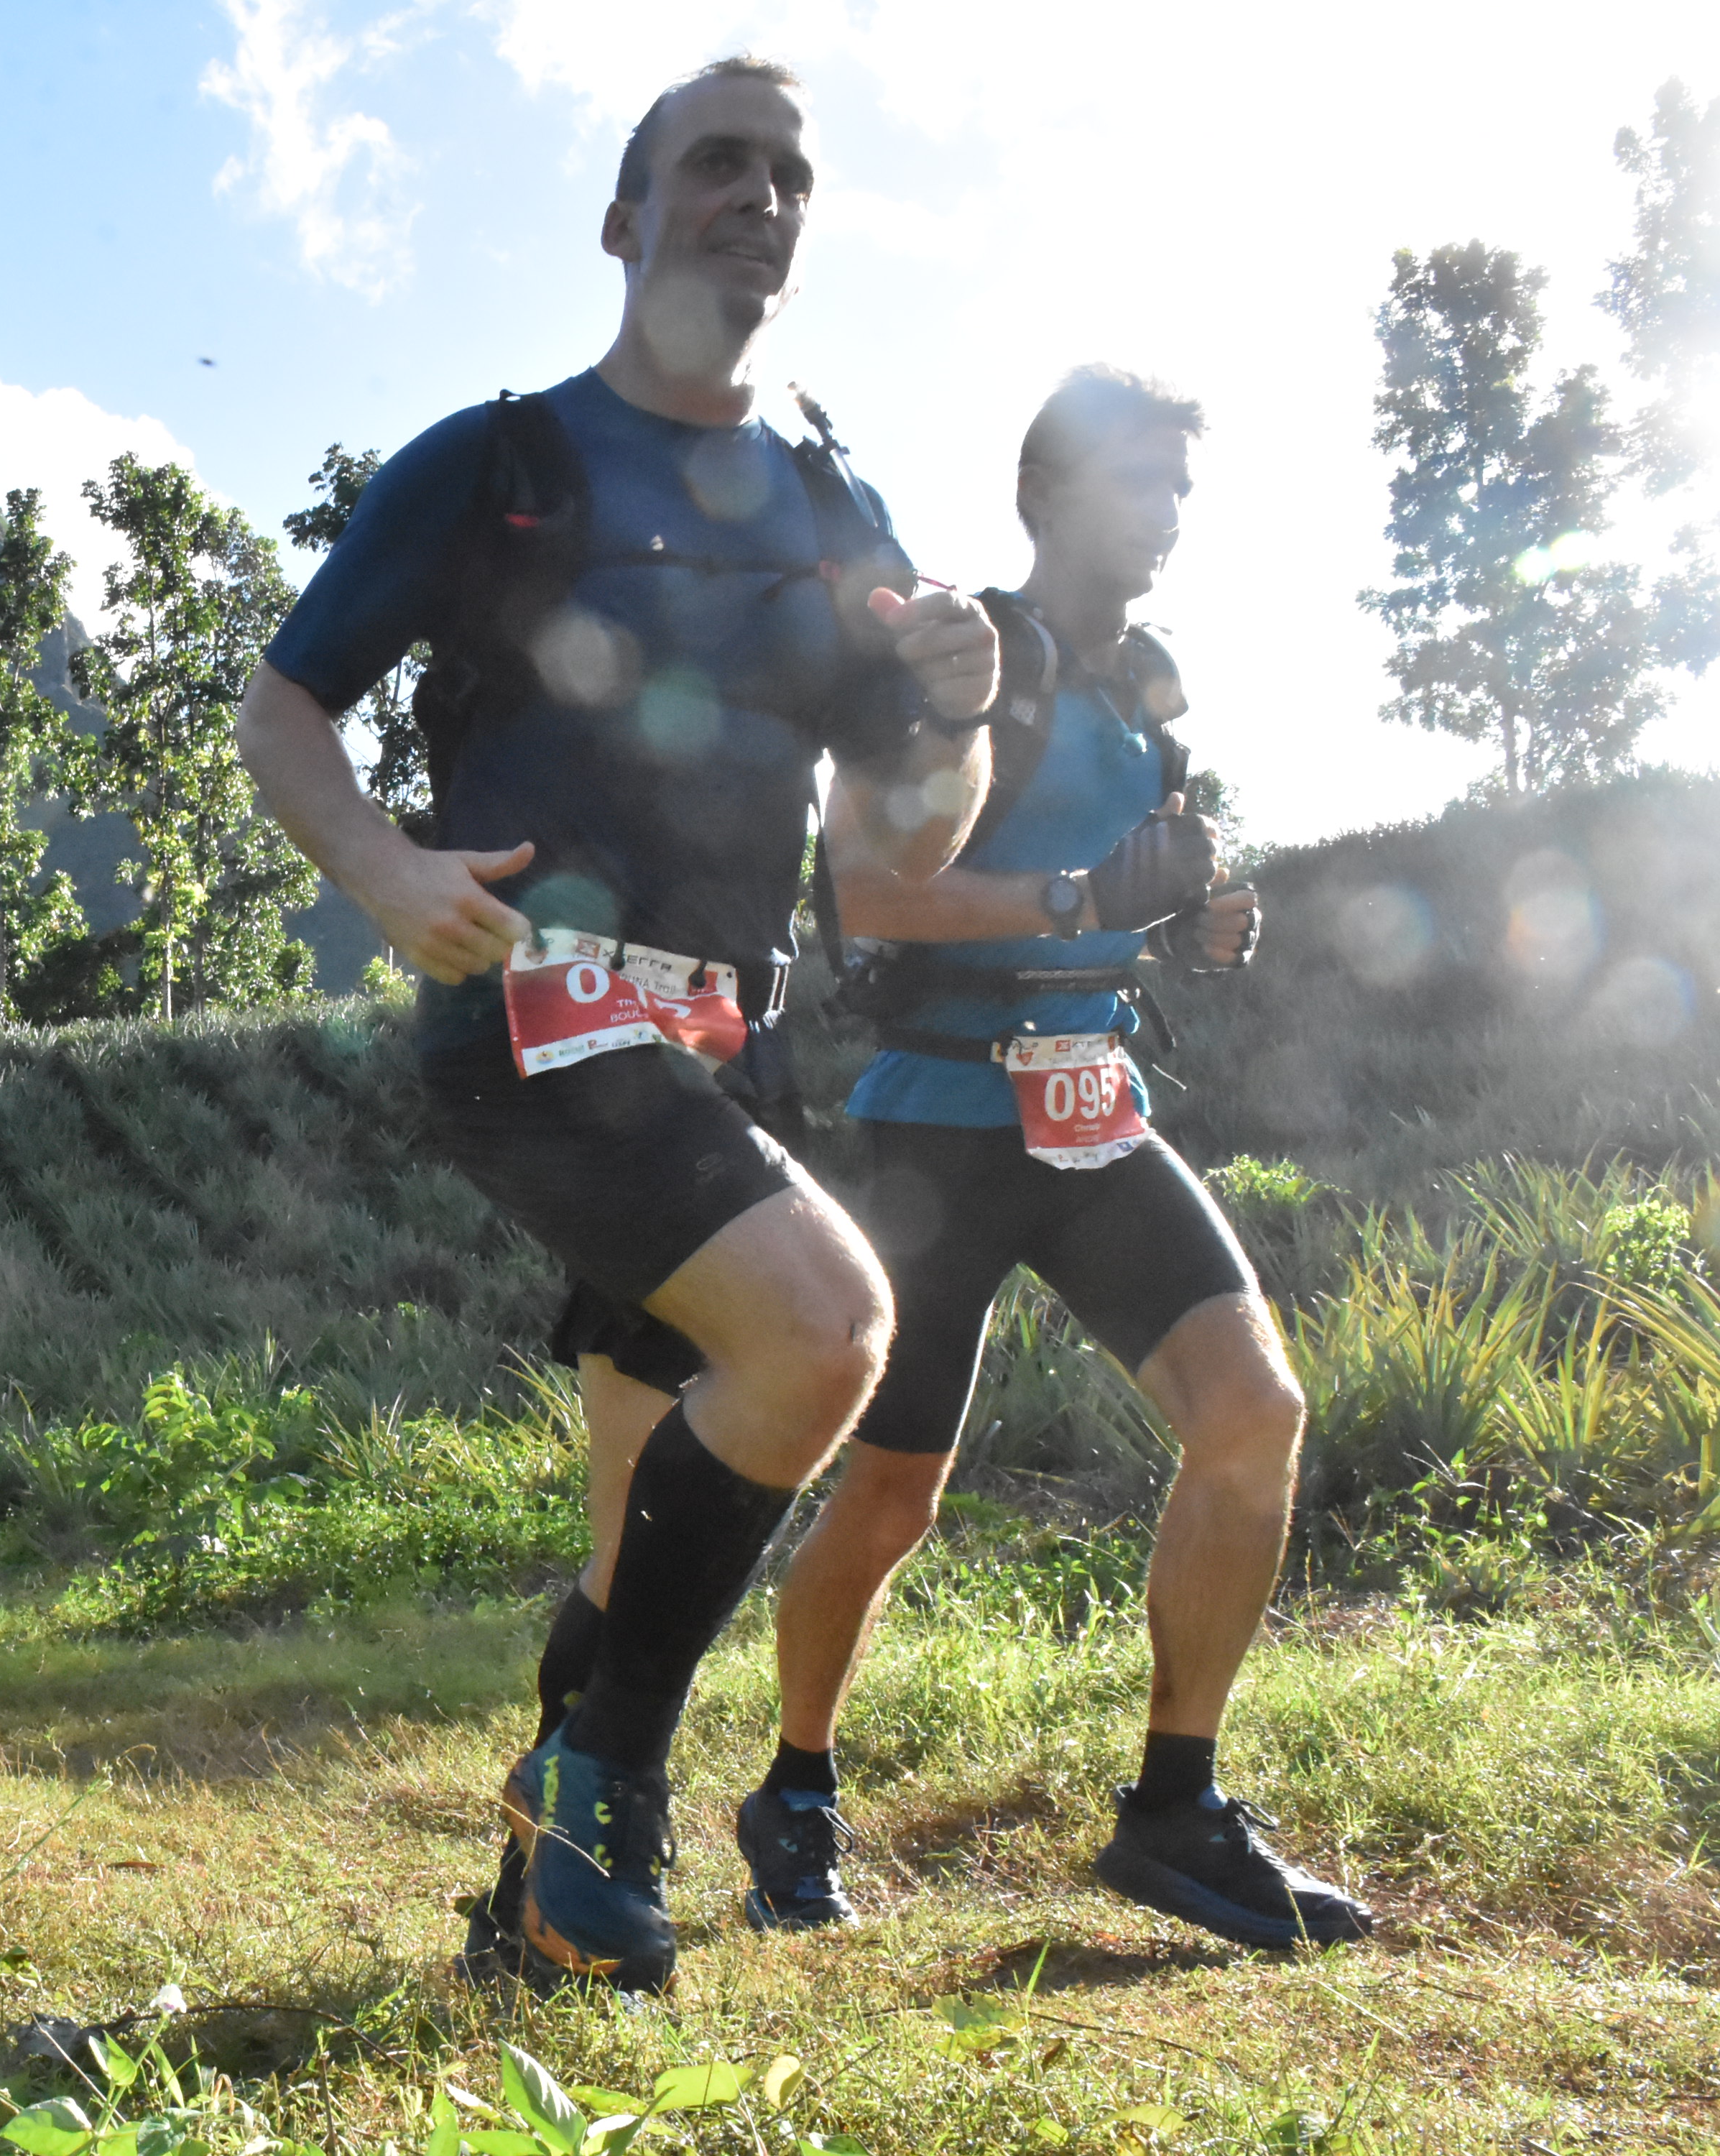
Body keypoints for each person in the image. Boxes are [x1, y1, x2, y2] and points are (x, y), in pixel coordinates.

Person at [236, 55, 1000, 1994]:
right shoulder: (498, 464)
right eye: (717, 165)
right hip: (536, 1007)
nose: (760, 198)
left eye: (790, 177)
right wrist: (389, 874)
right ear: (626, 217)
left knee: (634, 1523)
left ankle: (531, 1909)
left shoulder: (840, 507)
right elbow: (285, 706)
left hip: (725, 1046)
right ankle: (610, 1784)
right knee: (827, 1328)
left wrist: (960, 714)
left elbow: (900, 846)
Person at [723, 367, 1373, 1950]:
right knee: (887, 1498)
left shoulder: (1144, 692)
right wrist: (1089, 896)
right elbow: (867, 896)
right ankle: (794, 1789)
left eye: (1181, 487)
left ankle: (1173, 1810)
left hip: (1094, 1110)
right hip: (936, 1120)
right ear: (1046, 491)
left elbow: (1142, 890)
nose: (1165, 513)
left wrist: (1199, 917)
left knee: (1252, 1414)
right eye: (1136, 480)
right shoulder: (959, 665)